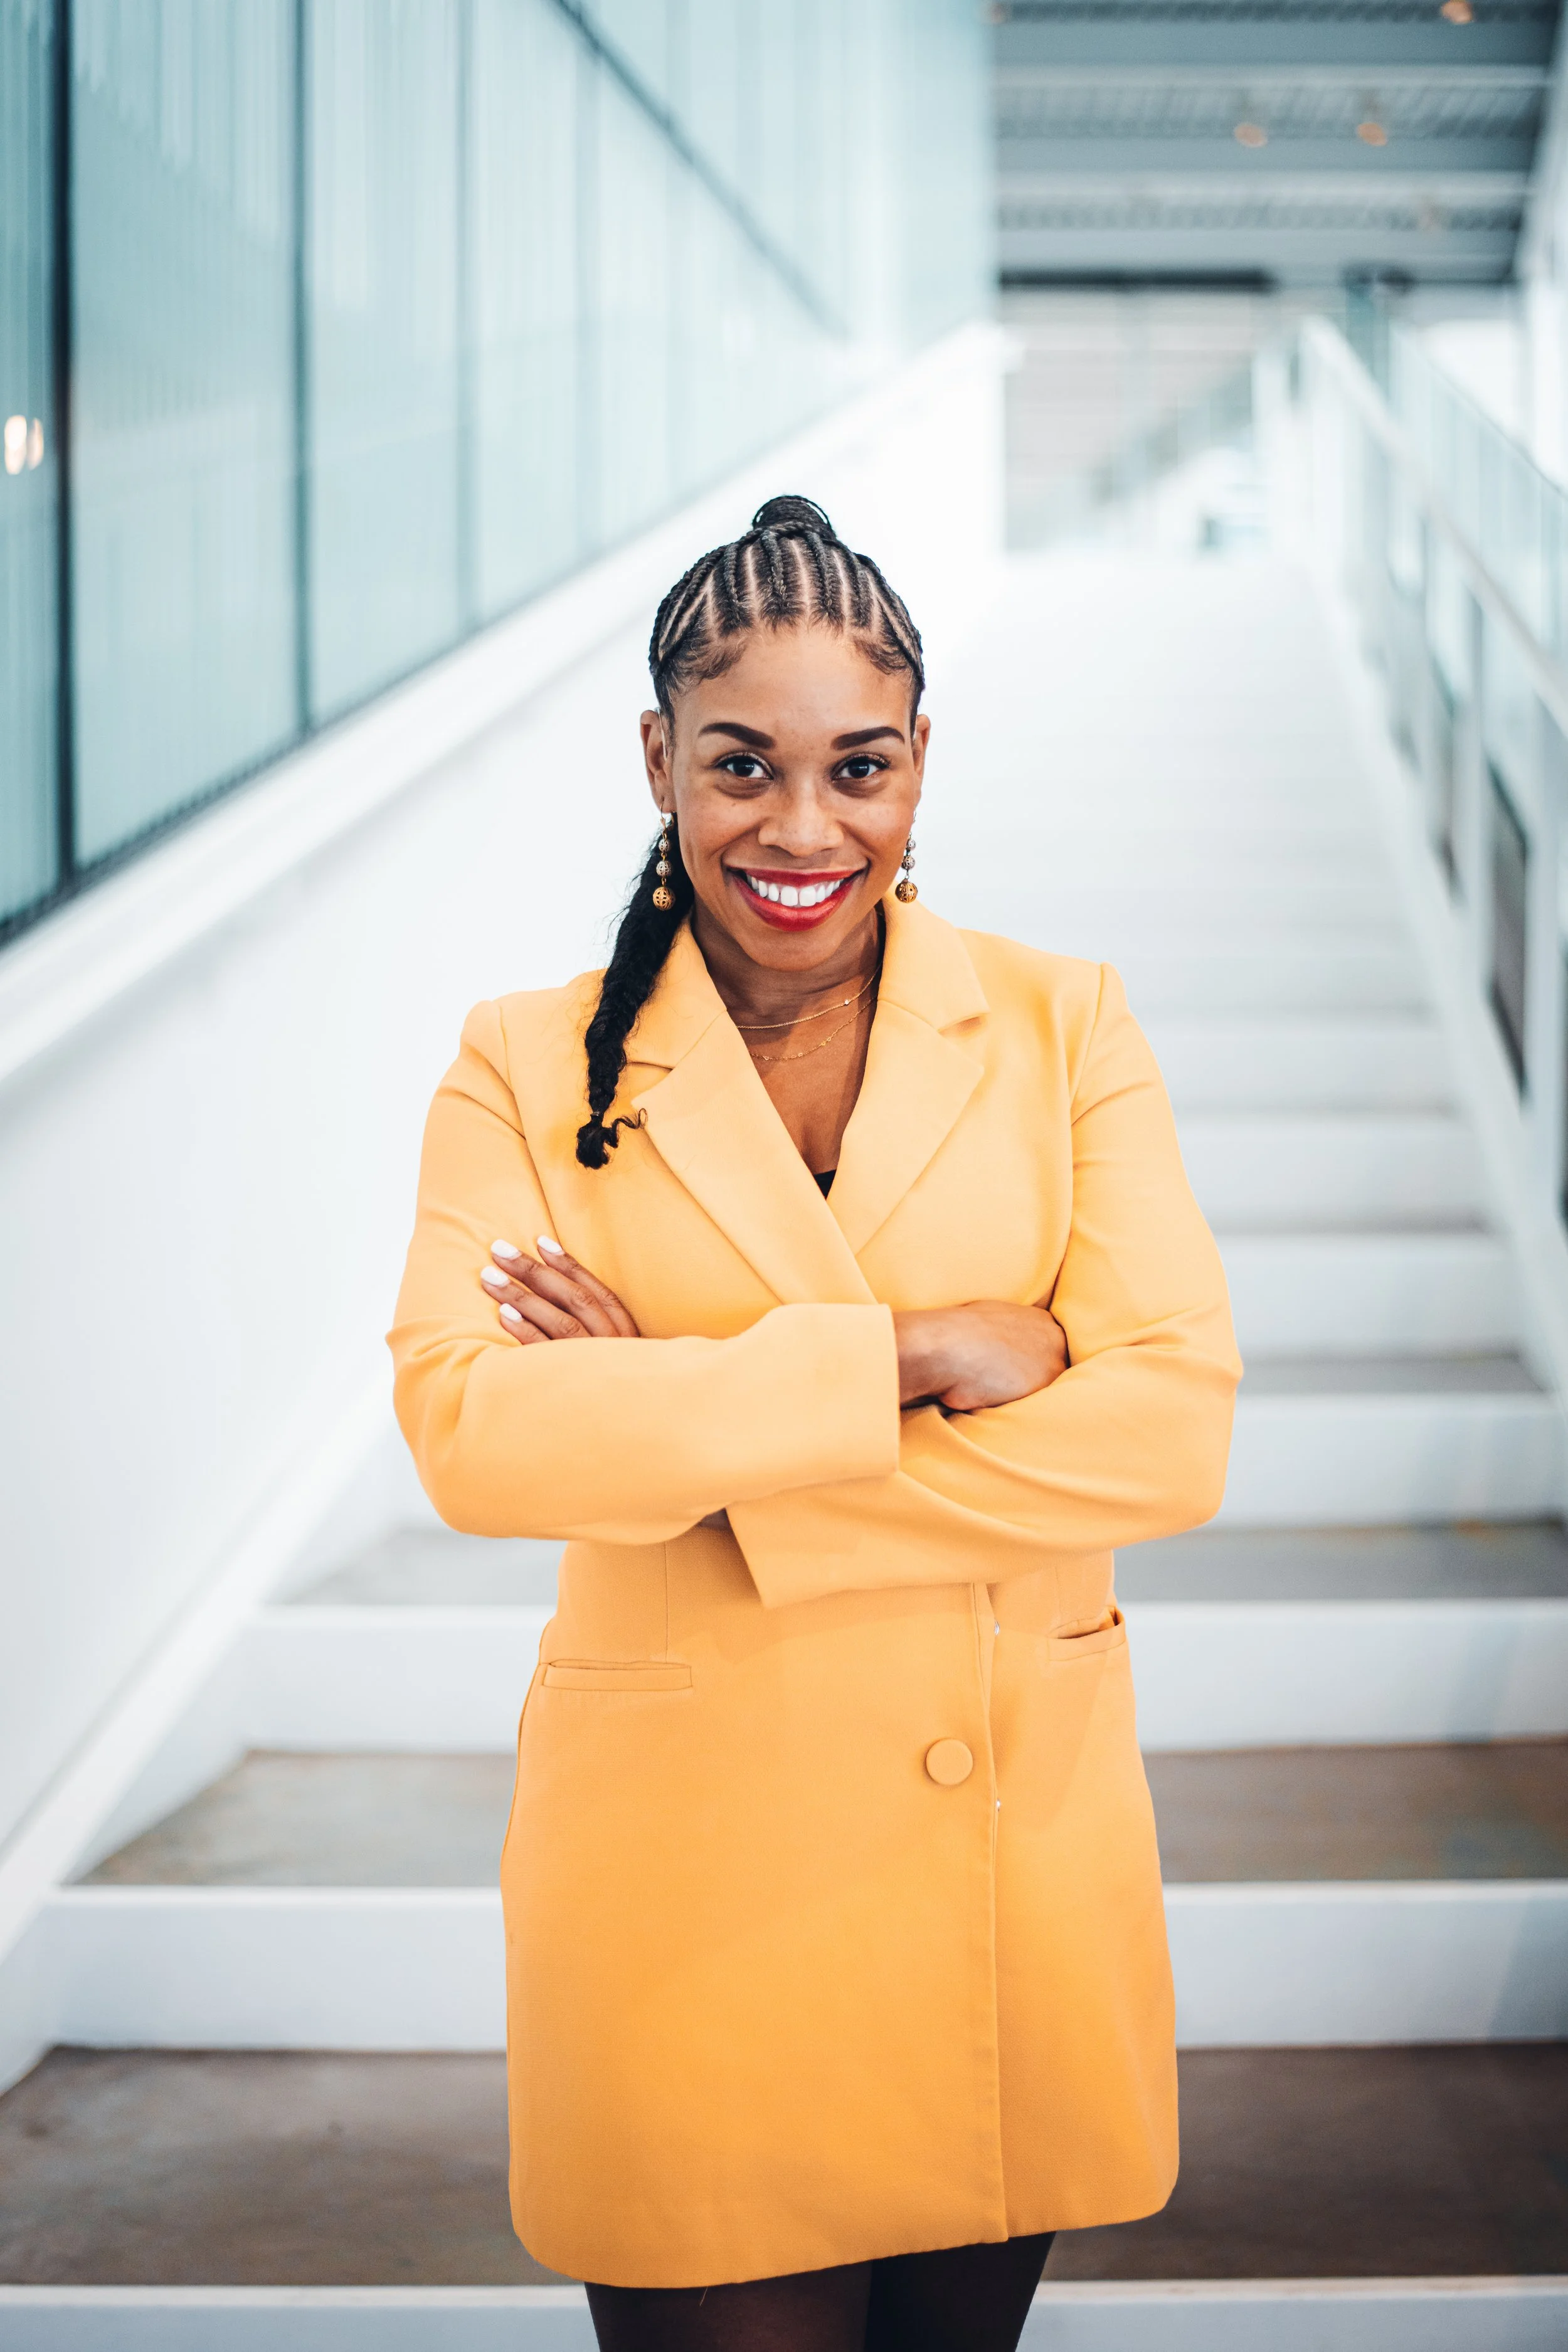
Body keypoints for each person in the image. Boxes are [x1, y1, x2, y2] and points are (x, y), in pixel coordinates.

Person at [389, 495, 1241, 2351]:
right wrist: (913, 1355)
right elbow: (475, 1433)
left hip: (1001, 1856)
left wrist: (702, 1461)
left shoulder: (1060, 1023)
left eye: (857, 766)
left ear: (921, 763)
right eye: (740, 765)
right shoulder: (525, 1062)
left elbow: (1167, 1431)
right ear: (656, 760)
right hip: (684, 1891)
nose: (801, 829)